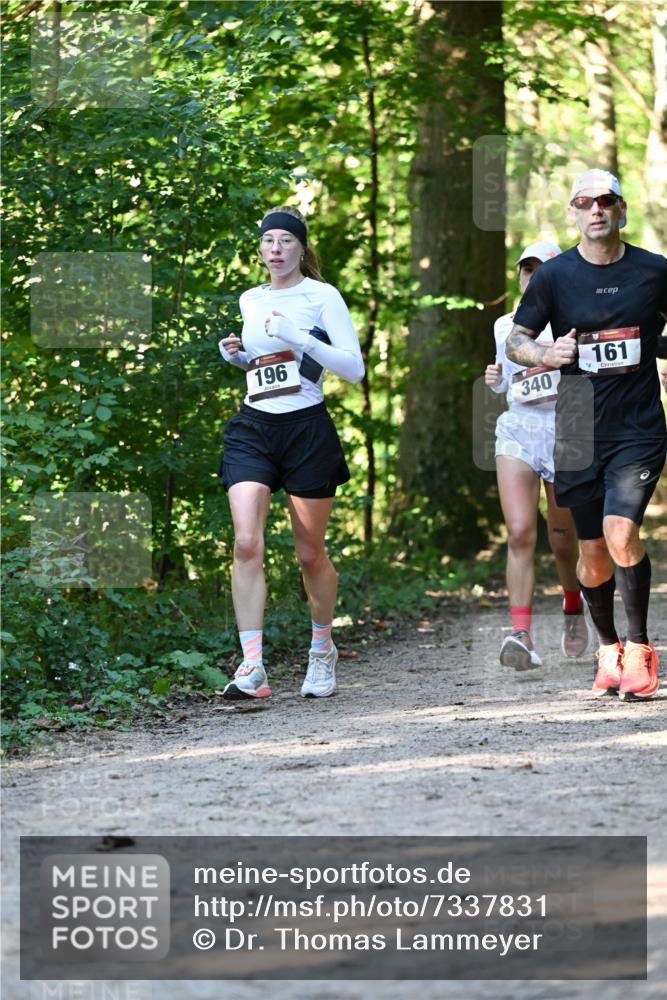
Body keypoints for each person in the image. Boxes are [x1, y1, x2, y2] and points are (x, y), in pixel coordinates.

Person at [506, 168, 667, 700]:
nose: (595, 209)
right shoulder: (554, 277)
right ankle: (608, 648)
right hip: (575, 426)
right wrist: (546, 352)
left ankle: (640, 649)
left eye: (605, 200)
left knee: (621, 533)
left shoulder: (654, 270)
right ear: (573, 213)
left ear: (621, 210)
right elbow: (516, 341)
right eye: (583, 202)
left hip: (637, 425)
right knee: (592, 549)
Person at [218, 206, 364, 700]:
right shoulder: (251, 298)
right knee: (246, 543)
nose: (276, 248)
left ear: (301, 248)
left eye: (285, 240)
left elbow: (353, 369)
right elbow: (272, 367)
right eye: (268, 241)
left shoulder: (322, 296)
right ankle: (252, 666)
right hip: (253, 427)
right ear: (260, 249)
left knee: (309, 553)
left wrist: (298, 336)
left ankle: (322, 650)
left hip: (306, 430)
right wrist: (240, 358)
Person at [485, 241, 590, 670]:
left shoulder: (575, 316)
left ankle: (572, 604)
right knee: (520, 531)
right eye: (526, 270)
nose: (533, 277)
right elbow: (507, 380)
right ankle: (521, 634)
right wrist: (494, 379)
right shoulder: (504, 325)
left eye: (541, 269)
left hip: (565, 430)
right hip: (519, 428)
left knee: (563, 540)